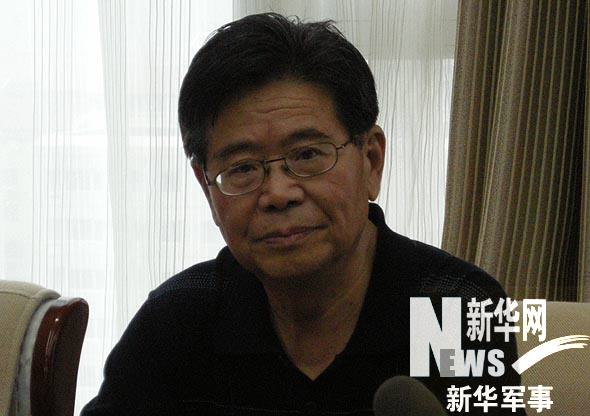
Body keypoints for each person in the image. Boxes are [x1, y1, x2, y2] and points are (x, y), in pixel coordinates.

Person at [82, 13, 523, 416]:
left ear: (371, 162)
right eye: (243, 168)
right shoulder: (177, 320)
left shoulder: (452, 310)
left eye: (308, 154)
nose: (278, 194)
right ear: (207, 189)